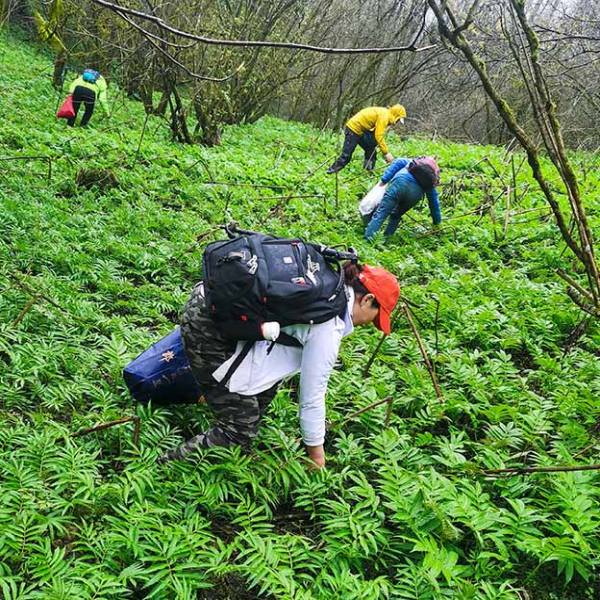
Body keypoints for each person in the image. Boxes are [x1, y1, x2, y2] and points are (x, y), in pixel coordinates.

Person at [158, 262, 400, 469]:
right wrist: (316, 456)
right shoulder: (328, 324)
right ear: (367, 299)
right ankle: (165, 467)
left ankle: (234, 449)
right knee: (240, 430)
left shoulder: (328, 281)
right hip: (209, 325)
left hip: (211, 299)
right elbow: (312, 397)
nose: (370, 324)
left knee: (263, 394)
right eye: (376, 317)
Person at [364, 156, 442, 241]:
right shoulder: (430, 179)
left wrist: (384, 180)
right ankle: (386, 239)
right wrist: (436, 221)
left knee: (382, 212)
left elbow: (398, 162)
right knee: (396, 215)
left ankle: (369, 238)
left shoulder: (413, 162)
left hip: (400, 183)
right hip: (414, 195)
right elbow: (434, 202)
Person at [327, 104, 407, 174]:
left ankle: (367, 171)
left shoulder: (385, 114)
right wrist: (386, 153)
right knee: (346, 155)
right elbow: (378, 135)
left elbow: (376, 133)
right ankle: (331, 171)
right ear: (396, 116)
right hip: (353, 129)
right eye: (398, 120)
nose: (397, 122)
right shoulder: (384, 116)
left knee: (371, 149)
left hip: (361, 131)